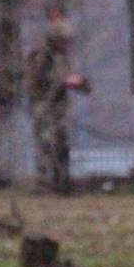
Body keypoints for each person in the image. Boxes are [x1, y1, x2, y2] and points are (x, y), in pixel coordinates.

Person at [23, 12, 89, 194]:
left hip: (59, 105)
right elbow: (37, 79)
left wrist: (79, 84)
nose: (66, 43)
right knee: (45, 143)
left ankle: (61, 181)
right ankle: (43, 183)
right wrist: (64, 81)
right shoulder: (41, 54)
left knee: (61, 143)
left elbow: (65, 76)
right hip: (43, 103)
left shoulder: (62, 56)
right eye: (63, 39)